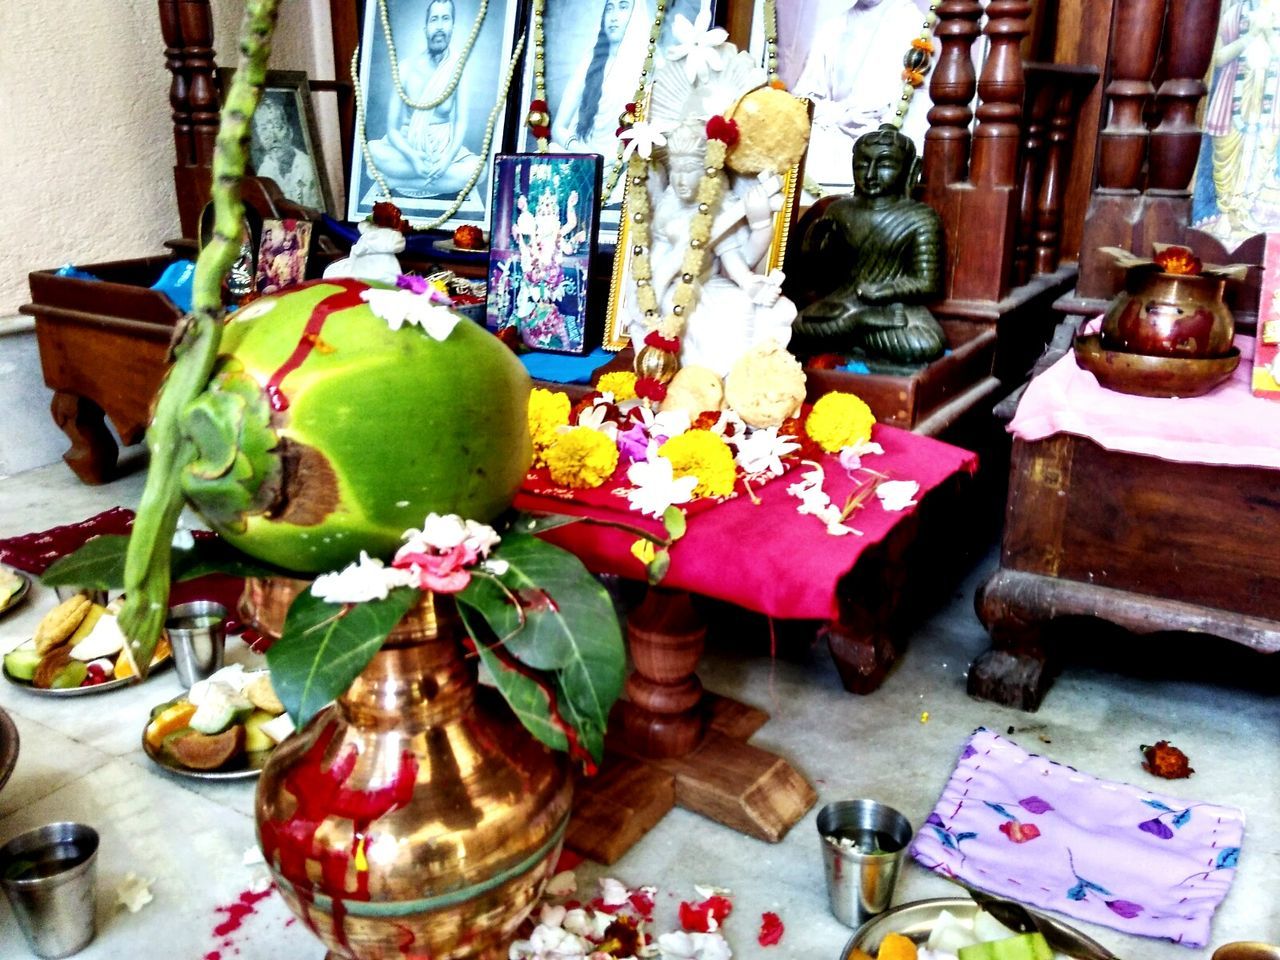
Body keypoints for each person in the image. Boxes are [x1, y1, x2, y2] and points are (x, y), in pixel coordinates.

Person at [625, 119, 796, 378]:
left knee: (741, 307)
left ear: (709, 171)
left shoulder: (720, 209)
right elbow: (658, 272)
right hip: (671, 289)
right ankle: (690, 379)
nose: (681, 179)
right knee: (681, 312)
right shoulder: (667, 210)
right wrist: (652, 296)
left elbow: (738, 259)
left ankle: (726, 381)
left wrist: (760, 225)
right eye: (676, 169)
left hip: (712, 286)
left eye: (690, 169)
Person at [787, 124, 946, 365]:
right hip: (845, 304)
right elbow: (826, 279)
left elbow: (927, 283)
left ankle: (849, 334)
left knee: (924, 343)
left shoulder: (920, 218)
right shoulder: (839, 210)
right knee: (794, 326)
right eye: (862, 165)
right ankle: (858, 324)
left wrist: (884, 291)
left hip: (893, 307)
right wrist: (815, 251)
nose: (870, 174)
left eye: (884, 165)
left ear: (911, 170)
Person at [790, 0, 926, 185]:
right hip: (832, 134)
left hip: (886, 138)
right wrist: (839, 114)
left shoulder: (910, 20)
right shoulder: (832, 28)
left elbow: (909, 100)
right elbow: (803, 100)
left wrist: (871, 119)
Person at [367, 0, 478, 198]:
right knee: (371, 150)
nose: (440, 27)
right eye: (434, 19)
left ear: (453, 25)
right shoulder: (406, 68)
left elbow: (461, 123)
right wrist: (413, 158)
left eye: (446, 19)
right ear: (425, 28)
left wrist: (446, 161)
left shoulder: (459, 68)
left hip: (443, 149)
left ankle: (394, 180)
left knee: (479, 169)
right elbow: (392, 129)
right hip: (407, 150)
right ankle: (439, 182)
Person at [1192, 0, 1280, 243]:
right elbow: (1218, 57)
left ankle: (1248, 212)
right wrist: (1251, 34)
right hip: (1231, 100)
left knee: (1263, 153)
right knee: (1225, 154)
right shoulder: (1236, 12)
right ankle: (1226, 214)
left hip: (1270, 105)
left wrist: (1270, 31)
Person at [551, 0, 654, 159]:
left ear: (636, 13)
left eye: (623, 7)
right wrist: (586, 155)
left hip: (625, 166)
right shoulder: (590, 62)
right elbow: (558, 128)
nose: (613, 17)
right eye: (609, 8)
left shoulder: (649, 66)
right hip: (586, 161)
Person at [252, 96, 324, 210]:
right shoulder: (264, 171)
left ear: (290, 131)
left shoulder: (308, 168)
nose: (273, 138)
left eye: (277, 126)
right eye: (264, 129)